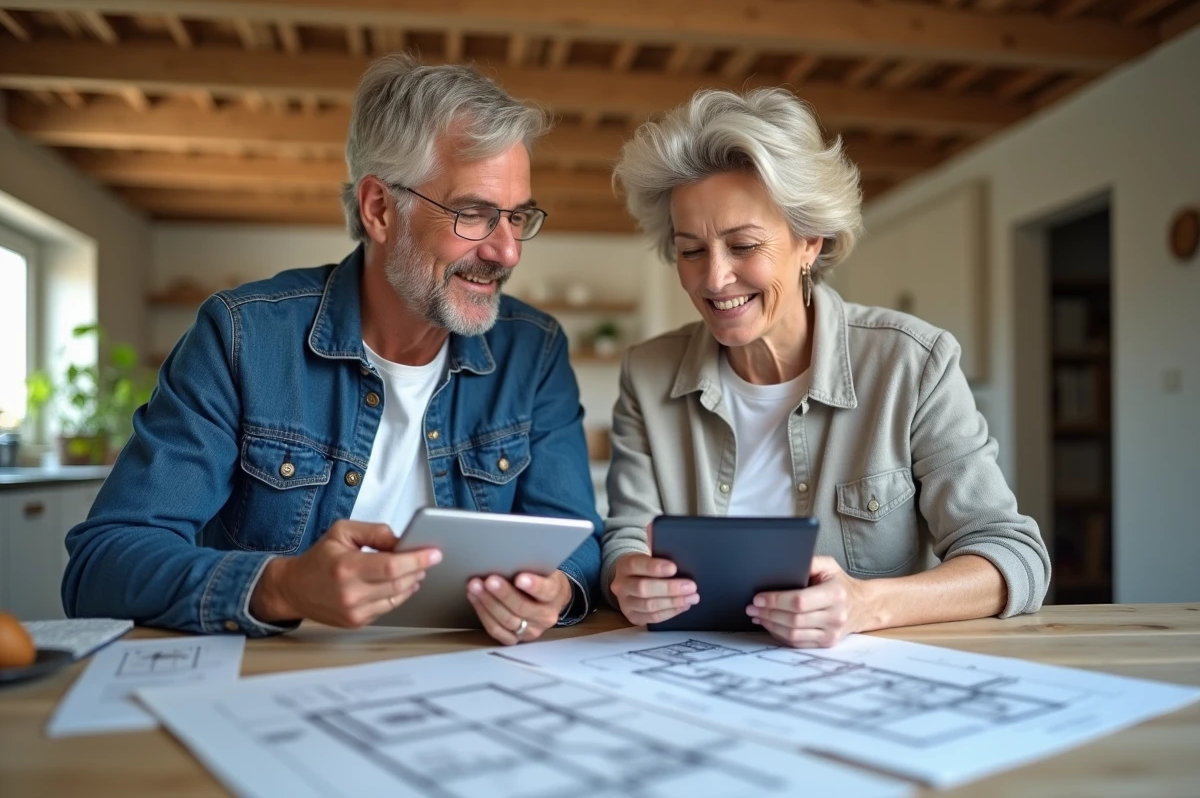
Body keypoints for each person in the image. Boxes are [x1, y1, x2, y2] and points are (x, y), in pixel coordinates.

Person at [62, 55, 602, 645]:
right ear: (379, 209)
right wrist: (282, 585)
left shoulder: (535, 350)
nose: (508, 252)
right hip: (275, 685)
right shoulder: (243, 337)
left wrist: (560, 587)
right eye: (473, 214)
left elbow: (577, 541)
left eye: (517, 217)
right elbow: (102, 563)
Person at [602, 88, 1050, 647]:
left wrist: (868, 603)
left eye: (743, 246)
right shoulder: (647, 375)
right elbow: (626, 533)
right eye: (691, 251)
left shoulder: (912, 363)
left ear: (810, 241)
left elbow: (1012, 555)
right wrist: (627, 575)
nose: (714, 279)